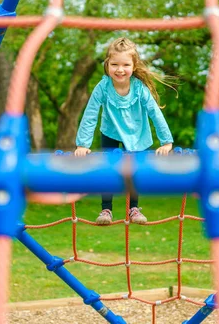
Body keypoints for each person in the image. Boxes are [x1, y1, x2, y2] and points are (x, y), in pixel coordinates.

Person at [74, 37, 174, 225]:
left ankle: (133, 209)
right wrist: (82, 144)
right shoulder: (103, 87)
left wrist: (166, 141)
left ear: (134, 66)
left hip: (137, 134)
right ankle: (106, 209)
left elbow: (154, 112)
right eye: (114, 64)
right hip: (110, 131)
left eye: (125, 64)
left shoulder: (139, 89)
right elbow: (90, 114)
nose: (120, 69)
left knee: (133, 171)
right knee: (108, 169)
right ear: (107, 65)